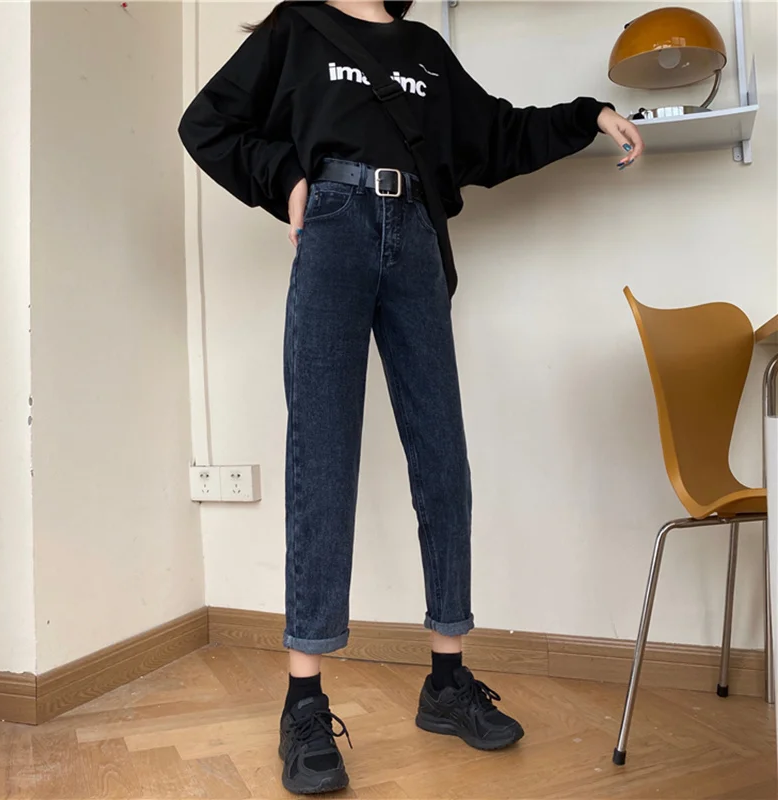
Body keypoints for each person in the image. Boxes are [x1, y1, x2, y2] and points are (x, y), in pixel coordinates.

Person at [179, 0, 643, 794]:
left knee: (442, 460)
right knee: (323, 458)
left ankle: (447, 683)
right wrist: (287, 181)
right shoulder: (298, 28)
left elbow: (496, 135)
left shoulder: (423, 49)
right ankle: (303, 702)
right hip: (333, 227)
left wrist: (587, 115)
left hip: (417, 237)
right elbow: (207, 124)